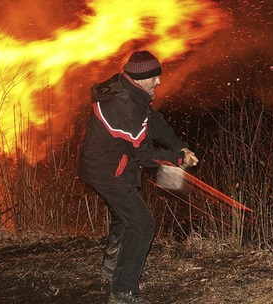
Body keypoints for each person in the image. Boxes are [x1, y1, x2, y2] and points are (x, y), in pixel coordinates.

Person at [77, 50, 198, 304]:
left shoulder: (132, 92)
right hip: (108, 172)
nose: (159, 82)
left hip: (113, 164)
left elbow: (154, 121)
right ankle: (123, 291)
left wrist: (180, 145)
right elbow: (145, 156)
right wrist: (177, 159)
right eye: (154, 77)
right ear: (141, 78)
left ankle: (111, 267)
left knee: (125, 216)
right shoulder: (125, 108)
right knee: (143, 225)